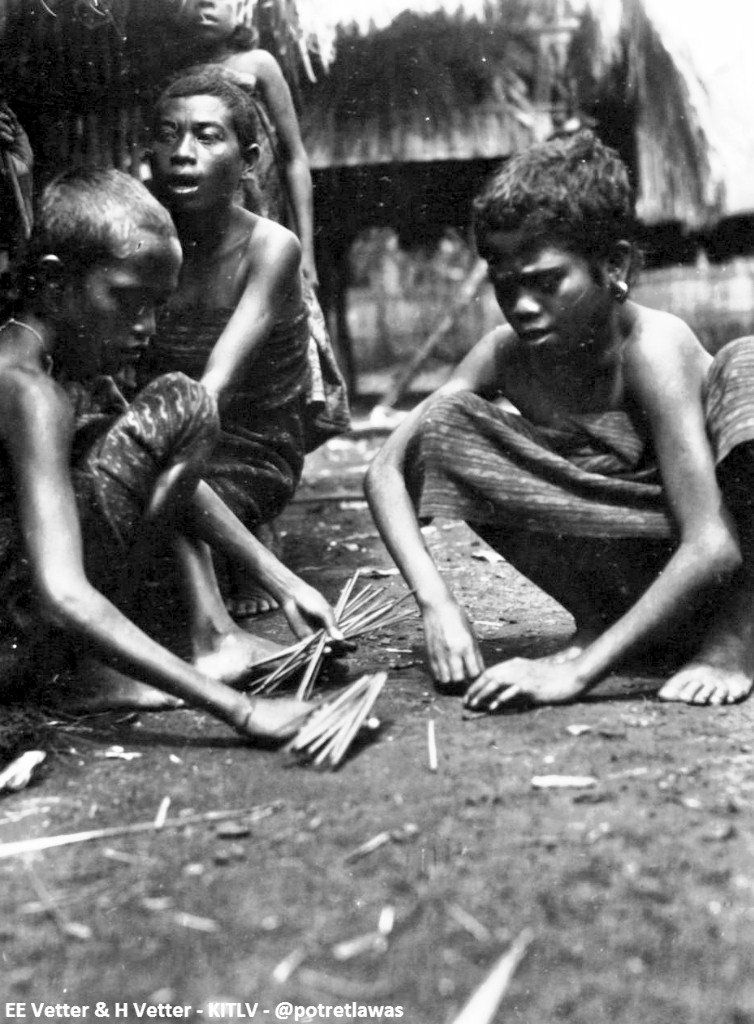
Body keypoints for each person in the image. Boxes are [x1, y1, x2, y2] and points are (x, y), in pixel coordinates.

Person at [366, 129, 754, 709]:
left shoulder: (652, 347)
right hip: (646, 579)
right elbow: (385, 470)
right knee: (446, 421)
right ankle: (605, 622)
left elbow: (712, 543)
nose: (522, 306)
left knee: (747, 364)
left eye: (546, 283)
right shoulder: (505, 354)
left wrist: (575, 678)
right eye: (505, 287)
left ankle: (735, 640)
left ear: (613, 264)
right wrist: (436, 602)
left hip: (725, 574)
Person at [0, 166, 342, 741]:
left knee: (154, 414)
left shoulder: (44, 359)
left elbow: (165, 473)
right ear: (55, 283)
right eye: (128, 301)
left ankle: (141, 650)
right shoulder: (28, 391)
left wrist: (281, 581)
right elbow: (61, 594)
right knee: (184, 402)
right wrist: (240, 711)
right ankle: (85, 671)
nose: (146, 328)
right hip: (19, 643)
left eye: (156, 306)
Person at [143, 67, 325, 621]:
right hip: (168, 427)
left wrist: (144, 457)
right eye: (168, 134)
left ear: (248, 161)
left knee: (157, 509)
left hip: (251, 444)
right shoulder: (143, 240)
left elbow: (216, 384)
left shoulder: (271, 247)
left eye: (206, 136)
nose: (182, 153)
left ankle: (241, 550)